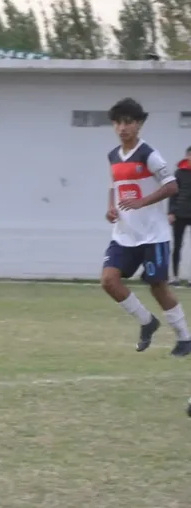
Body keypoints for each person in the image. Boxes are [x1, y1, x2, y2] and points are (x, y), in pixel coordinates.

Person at [101, 97, 189, 356]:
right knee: (108, 281)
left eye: (128, 122)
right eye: (117, 122)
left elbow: (172, 185)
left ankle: (185, 337)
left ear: (139, 124)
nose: (122, 127)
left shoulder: (148, 154)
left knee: (158, 286)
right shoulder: (113, 156)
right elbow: (113, 185)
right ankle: (147, 322)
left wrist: (143, 201)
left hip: (152, 235)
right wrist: (110, 207)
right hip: (124, 234)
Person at [169, 146, 191, 286]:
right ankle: (174, 277)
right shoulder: (179, 172)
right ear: (187, 156)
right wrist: (171, 212)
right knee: (177, 245)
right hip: (179, 213)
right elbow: (173, 193)